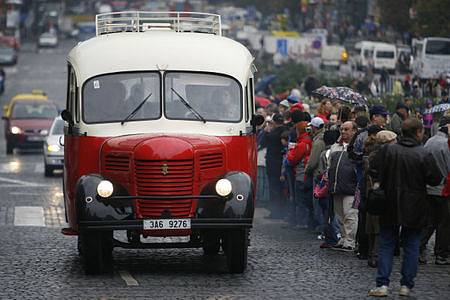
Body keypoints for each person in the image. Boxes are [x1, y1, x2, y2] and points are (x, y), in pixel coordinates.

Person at [368, 118, 443, 298]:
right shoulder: (423, 154)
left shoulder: (388, 150)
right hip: (415, 205)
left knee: (387, 244)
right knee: (411, 246)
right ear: (418, 132)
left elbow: (373, 168)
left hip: (390, 202)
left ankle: (383, 284)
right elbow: (435, 178)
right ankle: (406, 285)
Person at [419, 116, 450, 265]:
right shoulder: (446, 144)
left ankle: (420, 246)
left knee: (429, 221)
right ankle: (441, 254)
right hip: (443, 189)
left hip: (428, 188)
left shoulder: (429, 141)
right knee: (444, 223)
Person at [328, 121, 358, 251]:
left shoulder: (356, 147)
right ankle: (343, 238)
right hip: (336, 185)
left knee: (349, 214)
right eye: (342, 129)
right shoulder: (335, 147)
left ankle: (350, 241)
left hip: (350, 186)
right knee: (339, 215)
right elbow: (329, 164)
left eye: (347, 129)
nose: (343, 132)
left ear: (354, 131)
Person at [260, 113, 289, 219]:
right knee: (280, 189)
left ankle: (275, 212)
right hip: (280, 163)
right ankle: (282, 211)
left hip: (273, 163)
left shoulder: (272, 134)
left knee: (274, 188)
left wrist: (266, 130)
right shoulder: (285, 131)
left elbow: (262, 142)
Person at [287, 121, 313, 228]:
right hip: (305, 174)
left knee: (300, 199)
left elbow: (293, 159)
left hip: (300, 174)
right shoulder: (309, 141)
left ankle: (301, 222)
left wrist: (289, 152)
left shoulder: (302, 144)